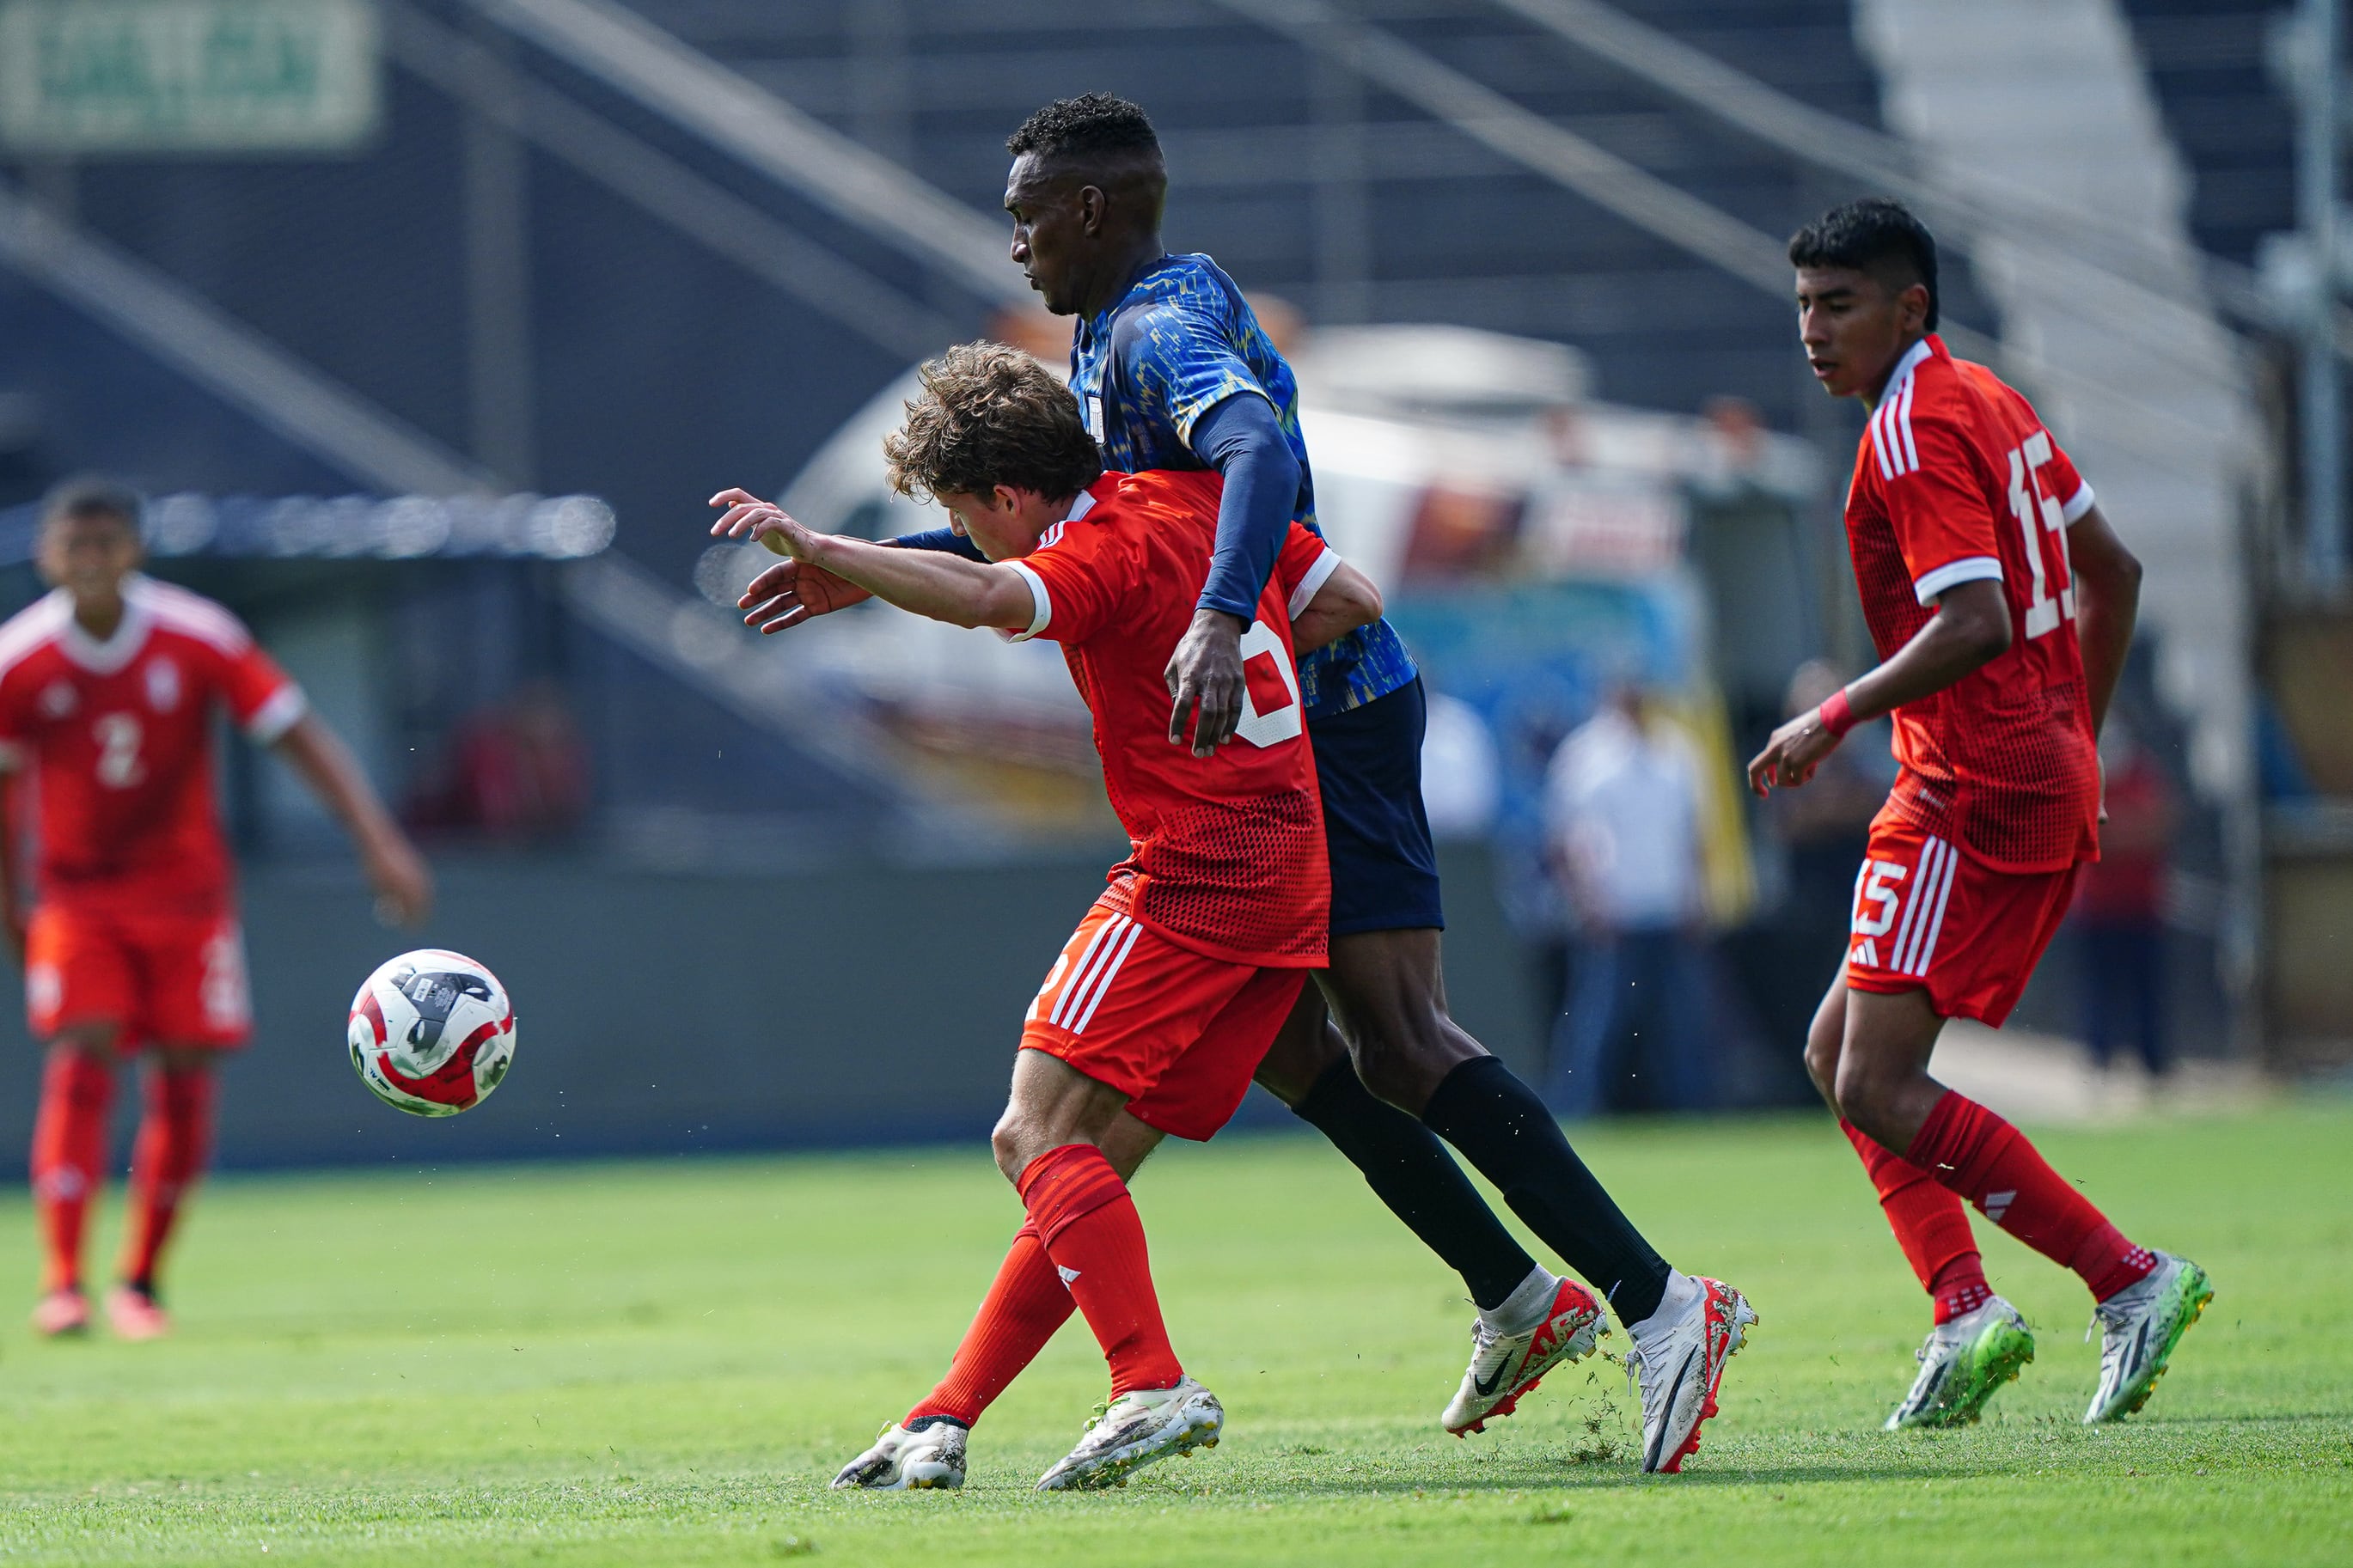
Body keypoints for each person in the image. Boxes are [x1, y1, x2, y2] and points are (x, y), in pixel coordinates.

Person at [738, 93, 1752, 1473]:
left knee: (1388, 1044)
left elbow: (1255, 459)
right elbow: (1102, 518)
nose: (1015, 241)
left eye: (1027, 214)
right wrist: (893, 559)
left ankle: (1656, 1301)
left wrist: (1220, 619)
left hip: (1314, 719)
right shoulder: (1113, 334)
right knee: (1287, 1058)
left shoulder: (1153, 330)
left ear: (1089, 210)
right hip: (1287, 684)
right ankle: (1510, 1298)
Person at [712, 342, 1384, 1491]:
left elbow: (984, 595)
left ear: (1009, 495)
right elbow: (1349, 601)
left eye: (965, 513)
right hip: (1288, 875)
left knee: (1027, 1135)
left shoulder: (1095, 554)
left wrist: (829, 548)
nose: (968, 535)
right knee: (1088, 1162)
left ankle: (1148, 1383)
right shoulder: (1196, 503)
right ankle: (945, 1413)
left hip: (1193, 872)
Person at [1748, 199, 2210, 1431]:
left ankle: (2127, 1280)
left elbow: (1976, 620)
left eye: (1837, 304)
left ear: (1909, 308)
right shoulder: (1989, 399)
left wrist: (1828, 715)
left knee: (1879, 1082)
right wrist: (2077, 731)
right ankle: (1961, 1310)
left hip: (1965, 787)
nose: (1810, 329)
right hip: (2009, 768)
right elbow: (2111, 569)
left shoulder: (1908, 430)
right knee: (1835, 1059)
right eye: (1800, 303)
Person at [0, 477, 431, 1339]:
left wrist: (375, 840)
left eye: (106, 544)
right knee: (83, 1056)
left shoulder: (198, 636)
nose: (89, 562)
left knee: (186, 1075)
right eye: (74, 547)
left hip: (188, 893)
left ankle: (142, 1282)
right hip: (81, 893)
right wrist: (14, 904)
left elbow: (296, 731)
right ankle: (62, 1282)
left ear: (134, 551)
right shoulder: (19, 659)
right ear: (46, 556)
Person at [1543, 683, 1709, 1116]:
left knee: (1680, 1019)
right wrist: (1587, 900)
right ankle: (1576, 1109)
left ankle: (1693, 1109)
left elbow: (1690, 833)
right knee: (1598, 1020)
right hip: (1614, 910)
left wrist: (1696, 894)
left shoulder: (1676, 750)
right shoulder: (1586, 755)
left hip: (1667, 904)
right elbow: (1568, 839)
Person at [2070, 719, 2179, 1083]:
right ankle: (2100, 1063)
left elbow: (2158, 825)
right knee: (2100, 992)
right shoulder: (2083, 775)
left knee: (2146, 992)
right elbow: (2086, 835)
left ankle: (2154, 1066)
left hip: (2142, 907)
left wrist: (2118, 835)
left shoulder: (2142, 773)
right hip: (2097, 909)